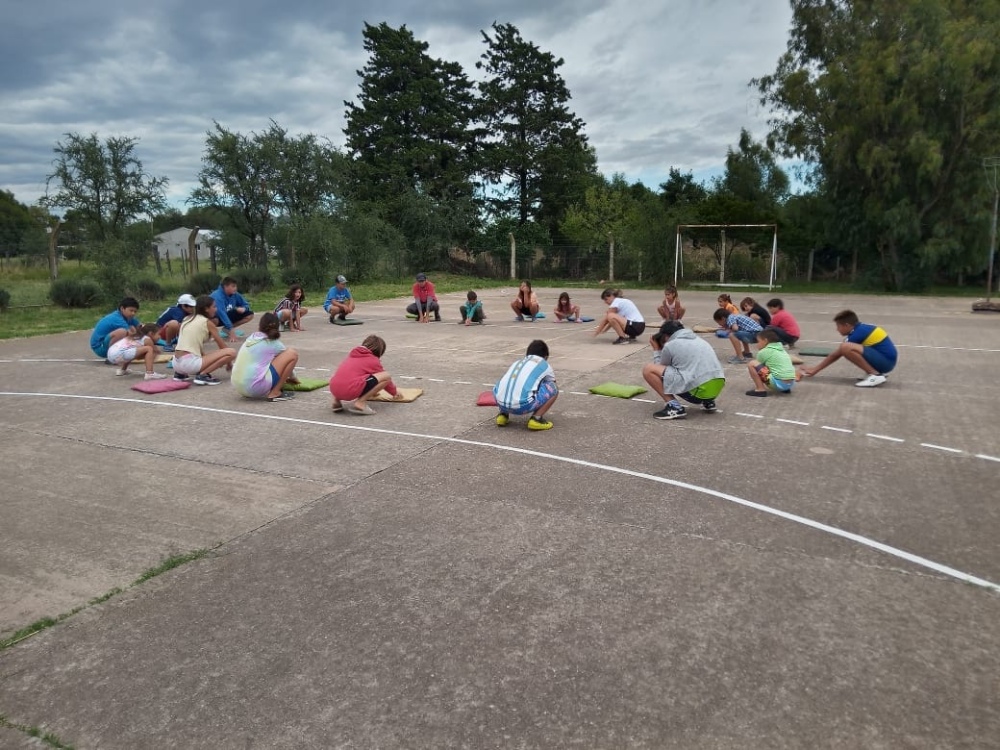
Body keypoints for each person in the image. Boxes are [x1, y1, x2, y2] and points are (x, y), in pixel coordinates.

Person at [641, 321, 726, 420]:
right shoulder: (699, 340)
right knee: (693, 368)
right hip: (716, 389)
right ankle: (708, 402)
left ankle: (674, 407)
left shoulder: (671, 345)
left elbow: (659, 368)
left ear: (665, 335)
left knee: (648, 369)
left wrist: (656, 350)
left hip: (698, 393)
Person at [799, 310, 897, 387]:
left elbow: (836, 354)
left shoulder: (858, 332)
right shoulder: (861, 328)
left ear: (847, 325)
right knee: (846, 347)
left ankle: (875, 375)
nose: (837, 329)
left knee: (845, 347)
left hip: (886, 363)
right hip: (886, 361)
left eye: (838, 326)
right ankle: (875, 374)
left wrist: (815, 369)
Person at [231, 313, 300, 402]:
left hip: (238, 386)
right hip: (254, 388)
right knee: (292, 354)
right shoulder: (274, 344)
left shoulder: (251, 338)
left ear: (259, 326)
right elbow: (288, 361)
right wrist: (293, 377)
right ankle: (275, 393)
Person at [493, 339, 559, 431]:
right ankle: (536, 419)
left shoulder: (517, 362)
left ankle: (503, 415)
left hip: (501, 403)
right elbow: (552, 383)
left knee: (505, 384)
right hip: (523, 407)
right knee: (553, 388)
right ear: (546, 356)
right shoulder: (545, 365)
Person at [329, 334, 404, 414]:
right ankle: (360, 403)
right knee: (386, 376)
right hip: (350, 391)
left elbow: (368, 379)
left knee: (344, 377)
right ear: (379, 351)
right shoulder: (373, 360)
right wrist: (394, 393)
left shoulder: (351, 356)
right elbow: (385, 380)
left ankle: (336, 402)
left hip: (334, 389)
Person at [172, 295, 237, 386]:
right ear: (206, 309)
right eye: (214, 307)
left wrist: (208, 360)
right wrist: (228, 363)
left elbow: (192, 344)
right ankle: (202, 375)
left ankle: (180, 375)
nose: (216, 309)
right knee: (231, 352)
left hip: (176, 363)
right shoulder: (207, 322)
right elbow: (222, 346)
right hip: (189, 364)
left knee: (200, 355)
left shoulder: (186, 319)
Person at [745, 329, 797, 397]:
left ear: (765, 341)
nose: (757, 344)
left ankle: (760, 390)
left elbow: (759, 366)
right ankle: (785, 389)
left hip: (778, 384)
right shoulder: (781, 349)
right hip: (790, 384)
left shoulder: (764, 351)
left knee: (752, 364)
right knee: (775, 365)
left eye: (758, 341)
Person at [210, 277, 254, 342]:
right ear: (225, 286)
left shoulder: (235, 294)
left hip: (226, 315)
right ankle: (210, 333)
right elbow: (221, 313)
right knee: (214, 320)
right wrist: (231, 330)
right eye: (233, 286)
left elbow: (245, 304)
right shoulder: (217, 296)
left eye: (236, 286)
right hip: (217, 317)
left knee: (250, 314)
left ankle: (226, 329)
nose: (235, 288)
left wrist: (244, 308)